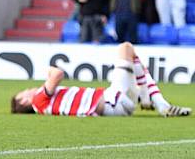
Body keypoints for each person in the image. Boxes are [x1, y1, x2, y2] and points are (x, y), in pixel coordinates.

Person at [10, 42, 191, 117]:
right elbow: (57, 74)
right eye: (24, 92)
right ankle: (158, 103)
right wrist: (47, 68)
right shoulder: (37, 100)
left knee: (136, 63)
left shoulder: (44, 106)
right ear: (24, 100)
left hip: (115, 103)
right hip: (111, 101)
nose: (29, 89)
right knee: (126, 47)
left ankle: (153, 100)